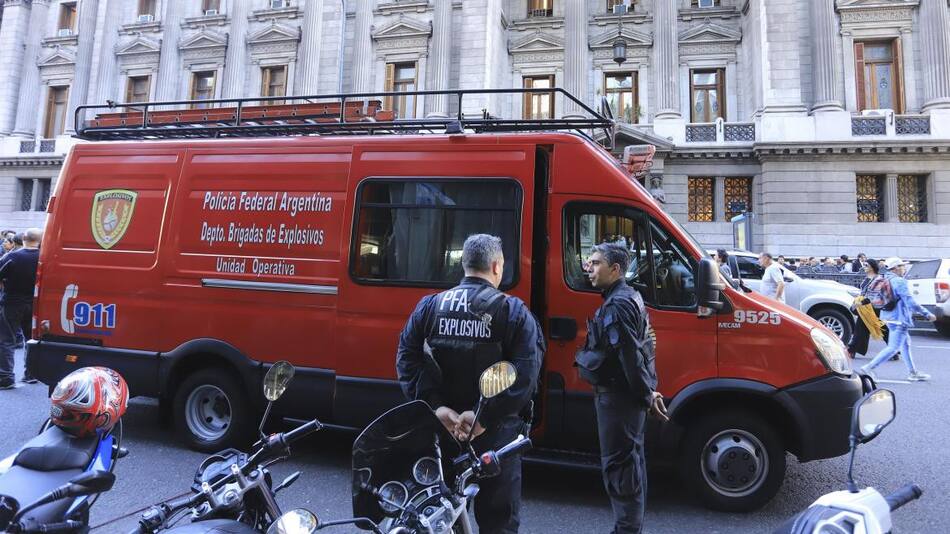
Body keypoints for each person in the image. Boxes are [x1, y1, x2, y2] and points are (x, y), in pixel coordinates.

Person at [396, 234, 544, 534]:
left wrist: (436, 408)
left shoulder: (430, 306)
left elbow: (406, 360)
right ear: (495, 266)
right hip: (497, 440)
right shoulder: (513, 311)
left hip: (442, 436)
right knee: (498, 523)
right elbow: (525, 376)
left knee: (440, 519)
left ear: (464, 265)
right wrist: (482, 418)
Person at [574, 242, 667, 534]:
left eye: (596, 262)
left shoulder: (617, 305)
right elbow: (644, 350)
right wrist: (648, 391)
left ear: (615, 269)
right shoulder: (630, 297)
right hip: (628, 400)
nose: (589, 267)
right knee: (630, 465)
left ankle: (626, 529)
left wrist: (646, 393)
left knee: (620, 469)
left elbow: (629, 356)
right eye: (589, 261)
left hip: (618, 401)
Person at [859, 257, 936, 382]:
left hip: (888, 316)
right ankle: (868, 367)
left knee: (905, 344)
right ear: (895, 268)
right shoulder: (899, 281)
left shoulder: (885, 279)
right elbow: (910, 302)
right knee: (894, 347)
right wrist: (927, 314)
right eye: (902, 266)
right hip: (899, 318)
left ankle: (913, 372)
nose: (904, 268)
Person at [0, 228, 42, 389]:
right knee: (31, 339)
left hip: (12, 302)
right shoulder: (43, 257)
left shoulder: (12, 256)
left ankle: (6, 377)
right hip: (35, 303)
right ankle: (31, 374)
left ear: (23, 238)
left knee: (7, 340)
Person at [847, 259, 889, 358]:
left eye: (866, 265)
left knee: (865, 327)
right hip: (866, 307)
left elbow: (873, 296)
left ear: (872, 267)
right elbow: (863, 292)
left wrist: (860, 303)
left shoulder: (878, 279)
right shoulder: (867, 278)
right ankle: (894, 350)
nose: (864, 267)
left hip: (874, 307)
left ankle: (852, 350)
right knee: (876, 327)